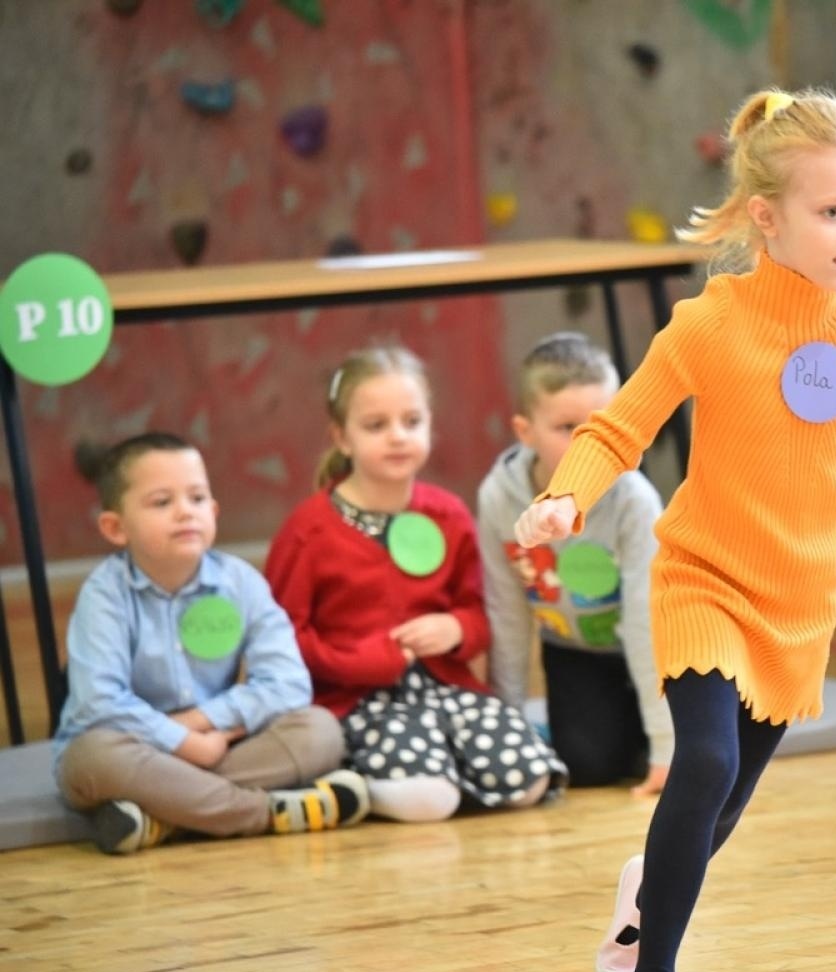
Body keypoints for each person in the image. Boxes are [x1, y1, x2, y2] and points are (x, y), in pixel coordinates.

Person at [513, 88, 836, 972]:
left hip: (801, 600)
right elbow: (621, 424)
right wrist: (568, 493)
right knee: (704, 761)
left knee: (720, 806)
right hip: (703, 578)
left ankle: (638, 904)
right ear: (766, 217)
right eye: (832, 212)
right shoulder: (710, 322)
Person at [265, 346, 568, 822]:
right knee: (427, 802)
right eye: (376, 425)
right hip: (356, 700)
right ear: (341, 438)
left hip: (443, 687)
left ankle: (442, 768)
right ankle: (364, 779)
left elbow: (477, 611)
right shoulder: (308, 530)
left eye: (411, 421)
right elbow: (281, 639)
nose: (397, 437)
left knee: (529, 780)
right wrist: (357, 662)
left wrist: (456, 629)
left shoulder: (448, 513)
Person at [54, 432, 370, 855]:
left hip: (216, 743)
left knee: (320, 731)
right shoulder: (105, 594)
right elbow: (99, 703)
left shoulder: (240, 582)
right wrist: (182, 743)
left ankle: (163, 818)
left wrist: (203, 724)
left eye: (198, 498)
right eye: (162, 502)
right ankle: (262, 813)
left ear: (214, 511)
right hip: (131, 747)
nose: (186, 512)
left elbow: (288, 683)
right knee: (91, 759)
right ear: (115, 527)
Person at [477, 331, 673, 794]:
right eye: (567, 429)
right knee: (588, 767)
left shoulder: (633, 501)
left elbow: (649, 624)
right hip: (578, 652)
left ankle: (656, 733)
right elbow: (506, 618)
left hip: (658, 650)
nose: (588, 443)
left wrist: (667, 746)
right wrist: (507, 735)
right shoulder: (498, 499)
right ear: (525, 431)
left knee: (681, 757)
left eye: (600, 425)